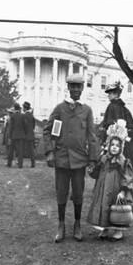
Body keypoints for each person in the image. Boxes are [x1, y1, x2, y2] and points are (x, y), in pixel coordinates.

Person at [43, 73, 99, 242]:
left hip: (79, 160)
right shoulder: (60, 109)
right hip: (62, 159)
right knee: (61, 193)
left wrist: (93, 159)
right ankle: (61, 225)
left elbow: (92, 136)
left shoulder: (87, 110)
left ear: (82, 88)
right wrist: (50, 152)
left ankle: (77, 224)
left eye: (78, 86)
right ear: (68, 88)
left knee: (78, 193)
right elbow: (48, 131)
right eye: (72, 86)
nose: (75, 89)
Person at [87, 121, 133, 241]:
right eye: (112, 144)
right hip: (103, 188)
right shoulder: (104, 158)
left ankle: (118, 230)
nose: (114, 147)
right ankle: (105, 227)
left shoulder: (123, 161)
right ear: (108, 145)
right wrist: (93, 168)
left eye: (117, 145)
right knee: (104, 206)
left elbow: (127, 177)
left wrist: (124, 191)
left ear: (121, 147)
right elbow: (97, 172)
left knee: (116, 208)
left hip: (116, 188)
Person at [99, 81, 133, 198]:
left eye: (110, 93)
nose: (109, 96)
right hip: (125, 144)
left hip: (114, 143)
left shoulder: (112, 107)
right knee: (125, 166)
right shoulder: (125, 109)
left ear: (116, 94)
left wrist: (104, 139)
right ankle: (132, 190)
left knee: (113, 165)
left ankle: (112, 190)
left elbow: (107, 125)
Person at [7, 103, 26, 168]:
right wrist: (24, 133)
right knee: (20, 151)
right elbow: (25, 125)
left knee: (11, 150)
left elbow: (11, 127)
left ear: (14, 108)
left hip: (13, 135)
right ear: (19, 108)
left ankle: (9, 163)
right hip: (21, 135)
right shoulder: (23, 116)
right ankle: (20, 164)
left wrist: (9, 136)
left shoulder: (12, 116)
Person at [22, 101, 36, 168]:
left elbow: (24, 125)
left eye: (23, 107)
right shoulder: (32, 116)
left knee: (21, 149)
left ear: (25, 108)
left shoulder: (24, 116)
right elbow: (33, 125)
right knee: (31, 150)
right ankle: (33, 163)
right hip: (31, 134)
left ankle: (20, 162)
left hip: (25, 135)